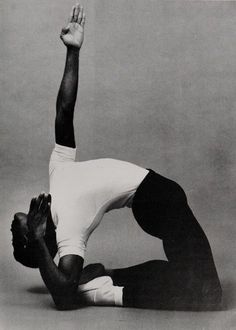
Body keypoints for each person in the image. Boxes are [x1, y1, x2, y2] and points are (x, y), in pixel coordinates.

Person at [11, 3, 222, 311]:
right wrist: (42, 243)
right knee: (207, 294)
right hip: (157, 200)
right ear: (43, 234)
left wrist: (73, 52)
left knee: (194, 283)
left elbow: (63, 112)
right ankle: (102, 285)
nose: (31, 210)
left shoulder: (58, 171)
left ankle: (102, 279)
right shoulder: (69, 224)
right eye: (29, 224)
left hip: (156, 199)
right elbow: (62, 296)